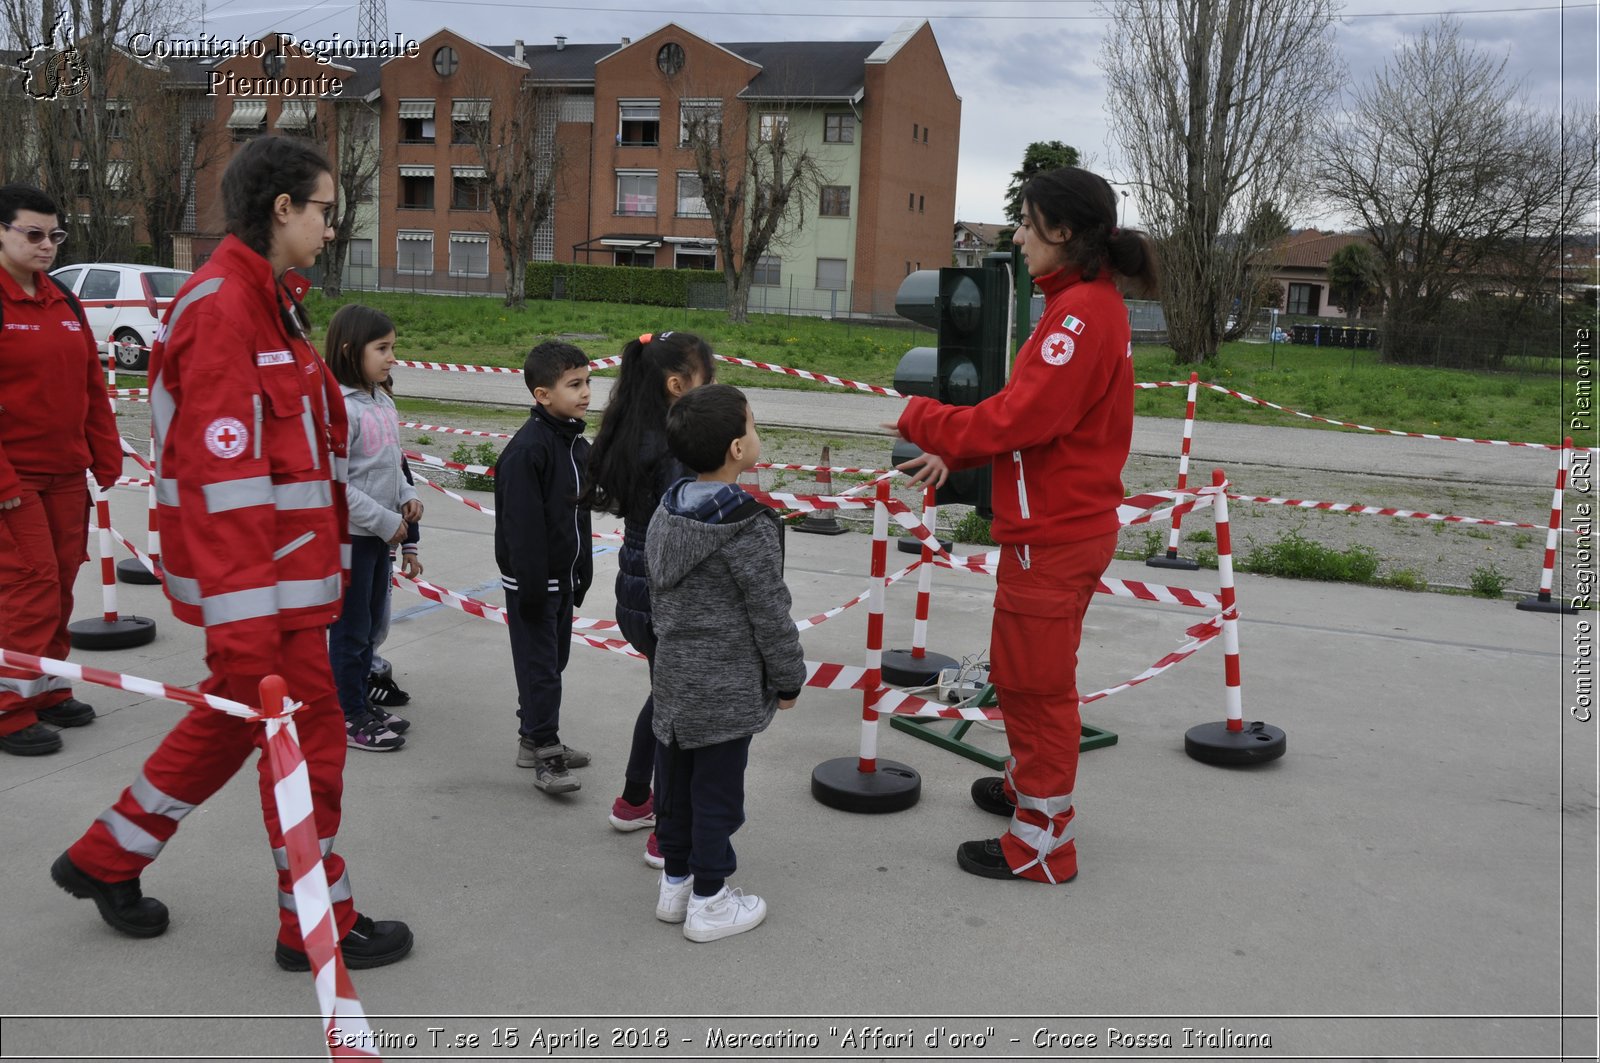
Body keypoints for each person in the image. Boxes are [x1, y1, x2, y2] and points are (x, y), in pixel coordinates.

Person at [53, 136, 413, 970]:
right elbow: (225, 489)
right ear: (281, 208)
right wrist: (248, 631)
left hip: (282, 588)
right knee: (310, 750)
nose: (331, 227)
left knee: (224, 726)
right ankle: (313, 924)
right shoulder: (223, 310)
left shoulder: (270, 301)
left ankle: (107, 856)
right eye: (324, 209)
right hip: (265, 600)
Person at [889, 165, 1159, 884]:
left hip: (1056, 535)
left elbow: (1020, 417)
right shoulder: (1076, 304)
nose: (1016, 234)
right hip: (1054, 527)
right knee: (1020, 672)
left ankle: (1042, 841)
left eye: (1025, 221)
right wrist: (956, 445)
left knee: (1037, 688)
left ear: (1062, 232)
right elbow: (1034, 424)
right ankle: (1023, 787)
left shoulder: (1078, 318)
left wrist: (925, 417)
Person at [646, 384, 805, 941]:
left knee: (676, 789)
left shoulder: (667, 512)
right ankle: (710, 901)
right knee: (717, 797)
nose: (758, 434)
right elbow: (770, 612)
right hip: (725, 690)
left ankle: (677, 883)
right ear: (738, 448)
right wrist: (788, 678)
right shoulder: (748, 525)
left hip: (673, 684)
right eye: (755, 425)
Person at [579, 332, 716, 865]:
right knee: (675, 713)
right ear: (678, 386)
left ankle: (636, 799)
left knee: (663, 696)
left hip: (637, 586)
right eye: (710, 380)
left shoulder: (636, 433)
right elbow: (688, 532)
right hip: (668, 593)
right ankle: (668, 829)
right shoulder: (677, 449)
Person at [0, 184, 121, 756]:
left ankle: (45, 688)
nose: (47, 245)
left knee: (63, 579)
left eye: (55, 235)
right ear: (2, 232)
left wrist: (105, 450)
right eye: (32, 234)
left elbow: (90, 384)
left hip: (66, 472)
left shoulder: (62, 301)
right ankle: (6, 707)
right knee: (29, 585)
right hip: (13, 477)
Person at [495, 341, 594, 793]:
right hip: (534, 583)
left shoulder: (575, 444)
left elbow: (580, 515)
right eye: (574, 384)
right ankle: (546, 754)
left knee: (553, 663)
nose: (587, 392)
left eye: (588, 381)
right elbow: (522, 529)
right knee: (540, 669)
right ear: (542, 394)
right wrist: (534, 587)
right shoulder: (527, 451)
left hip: (564, 579)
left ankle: (531, 738)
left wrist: (583, 571)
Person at [324, 303, 417, 752]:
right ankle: (346, 715)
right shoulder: (339, 409)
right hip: (352, 540)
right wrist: (384, 521)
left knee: (371, 627)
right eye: (382, 348)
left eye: (393, 348)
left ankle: (360, 700)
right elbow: (334, 484)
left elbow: (391, 465)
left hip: (380, 538)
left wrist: (405, 496)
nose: (392, 358)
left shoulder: (382, 402)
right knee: (351, 629)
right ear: (349, 351)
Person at [367, 457, 420, 710]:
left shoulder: (393, 447)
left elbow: (406, 490)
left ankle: (371, 665)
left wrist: (410, 546)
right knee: (356, 621)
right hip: (356, 544)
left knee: (380, 620)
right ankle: (362, 677)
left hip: (385, 550)